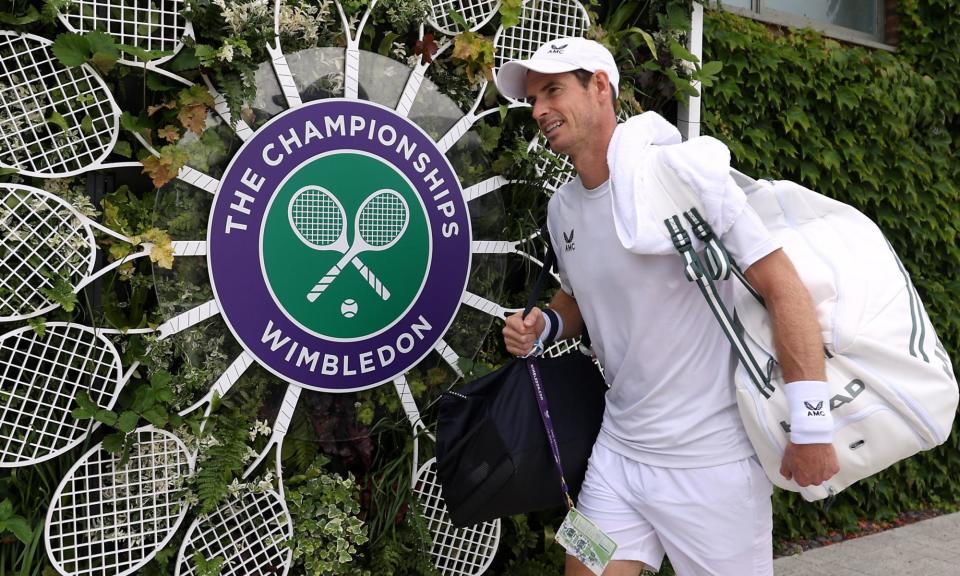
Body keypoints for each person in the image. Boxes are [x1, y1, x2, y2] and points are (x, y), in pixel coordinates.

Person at [496, 37, 840, 576]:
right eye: (534, 98)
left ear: (600, 87)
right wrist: (547, 324)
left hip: (711, 468)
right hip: (616, 458)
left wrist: (812, 426)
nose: (539, 110)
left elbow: (783, 286)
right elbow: (582, 296)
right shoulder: (561, 208)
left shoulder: (684, 177)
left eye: (553, 91)